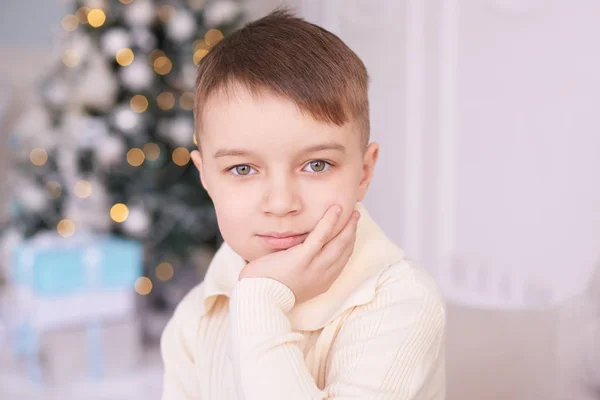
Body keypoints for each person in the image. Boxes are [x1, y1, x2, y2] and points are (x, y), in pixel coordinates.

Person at [160, 8, 446, 399]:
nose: (281, 203)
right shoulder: (194, 319)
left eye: (316, 165)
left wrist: (260, 297)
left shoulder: (402, 302)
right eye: (242, 169)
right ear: (205, 176)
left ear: (363, 172)